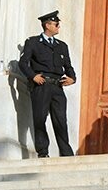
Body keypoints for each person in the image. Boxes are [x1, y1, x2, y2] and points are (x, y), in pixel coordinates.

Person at [19, 10, 76, 158]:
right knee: (40, 118)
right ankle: (43, 152)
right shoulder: (33, 42)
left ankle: (66, 152)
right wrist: (33, 76)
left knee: (61, 120)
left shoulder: (62, 46)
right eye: (56, 24)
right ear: (48, 25)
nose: (58, 27)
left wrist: (72, 78)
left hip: (57, 86)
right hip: (41, 85)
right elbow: (23, 63)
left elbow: (68, 66)